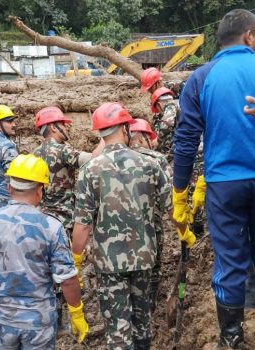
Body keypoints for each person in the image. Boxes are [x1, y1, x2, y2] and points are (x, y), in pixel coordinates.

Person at [173, 9, 255, 349]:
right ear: (250, 36)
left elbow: (186, 139)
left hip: (224, 184)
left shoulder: (201, 77)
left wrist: (180, 190)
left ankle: (231, 338)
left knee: (231, 260)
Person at [0, 154, 89, 349]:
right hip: (38, 324)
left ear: (9, 188)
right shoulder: (52, 227)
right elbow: (68, 280)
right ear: (41, 190)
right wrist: (76, 312)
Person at [72, 102, 172, 350]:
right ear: (126, 129)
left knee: (118, 331)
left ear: (100, 134)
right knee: (142, 323)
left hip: (109, 264)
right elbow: (173, 209)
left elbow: (82, 225)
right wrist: (186, 233)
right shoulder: (150, 164)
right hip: (145, 258)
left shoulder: (89, 171)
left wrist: (75, 259)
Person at [33, 106, 104, 329]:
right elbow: (92, 159)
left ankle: (52, 317)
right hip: (63, 221)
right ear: (52, 127)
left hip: (41, 219)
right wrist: (106, 135)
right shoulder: (61, 150)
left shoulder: (34, 154)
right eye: (63, 125)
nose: (66, 129)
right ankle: (70, 318)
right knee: (65, 271)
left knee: (47, 269)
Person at [129, 119, 173, 313]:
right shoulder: (157, 159)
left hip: (122, 224)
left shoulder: (115, 158)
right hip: (151, 222)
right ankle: (149, 305)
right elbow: (168, 193)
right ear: (142, 137)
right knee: (154, 264)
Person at [151, 87, 179, 162]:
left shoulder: (170, 105)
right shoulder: (180, 104)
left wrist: (157, 140)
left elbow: (166, 126)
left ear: (159, 104)